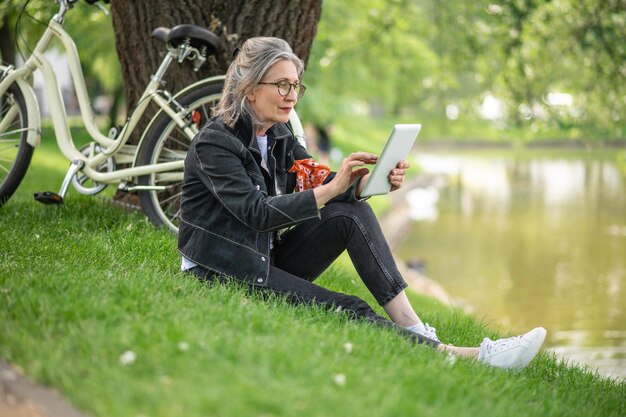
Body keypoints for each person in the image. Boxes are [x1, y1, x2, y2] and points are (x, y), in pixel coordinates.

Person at [178, 37, 546, 370]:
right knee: (349, 308)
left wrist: (361, 183)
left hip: (262, 256)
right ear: (249, 88)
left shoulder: (277, 134)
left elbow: (320, 182)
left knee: (350, 212)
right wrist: (333, 186)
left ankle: (415, 328)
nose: (292, 95)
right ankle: (466, 357)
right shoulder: (216, 143)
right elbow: (256, 214)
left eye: (295, 86)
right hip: (223, 270)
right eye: (282, 85)